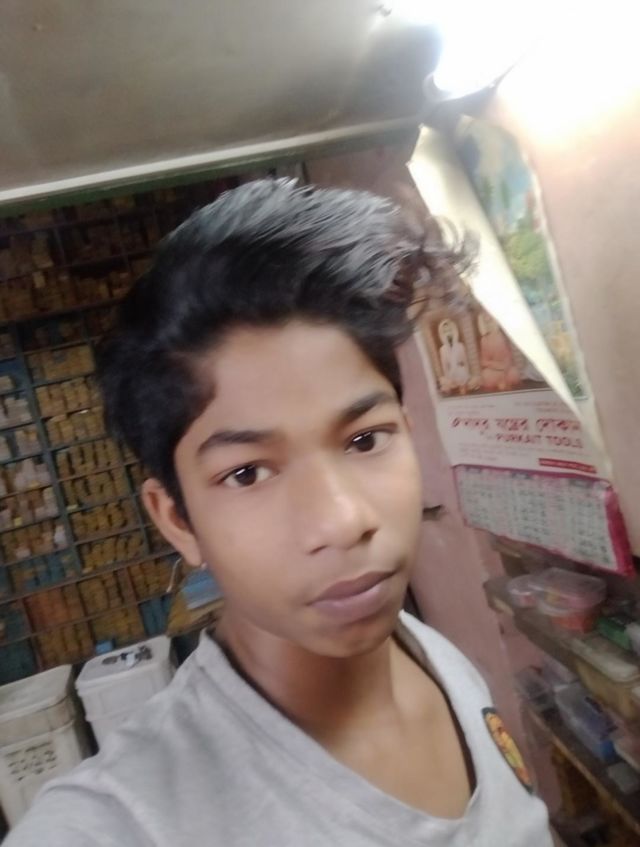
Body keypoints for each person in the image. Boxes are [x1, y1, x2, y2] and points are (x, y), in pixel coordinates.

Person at [6, 180, 552, 846]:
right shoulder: (129, 821)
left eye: (365, 440)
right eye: (247, 473)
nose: (342, 520)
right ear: (176, 519)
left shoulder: (434, 656)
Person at [478, 310, 521, 392]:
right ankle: (500, 382)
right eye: (486, 323)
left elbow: (509, 357)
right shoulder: (484, 340)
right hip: (494, 370)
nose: (489, 325)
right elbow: (483, 361)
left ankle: (504, 382)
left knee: (514, 372)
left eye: (490, 322)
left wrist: (504, 367)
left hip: (506, 368)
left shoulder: (502, 336)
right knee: (485, 375)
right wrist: (495, 365)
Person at [437, 317, 470, 394]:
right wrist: (448, 378)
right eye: (445, 331)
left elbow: (465, 362)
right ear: (442, 334)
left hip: (461, 372)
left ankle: (462, 388)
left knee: (463, 387)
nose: (448, 333)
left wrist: (466, 374)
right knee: (443, 384)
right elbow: (445, 367)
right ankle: (452, 387)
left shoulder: (460, 346)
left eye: (449, 330)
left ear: (453, 330)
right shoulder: (442, 349)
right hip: (450, 374)